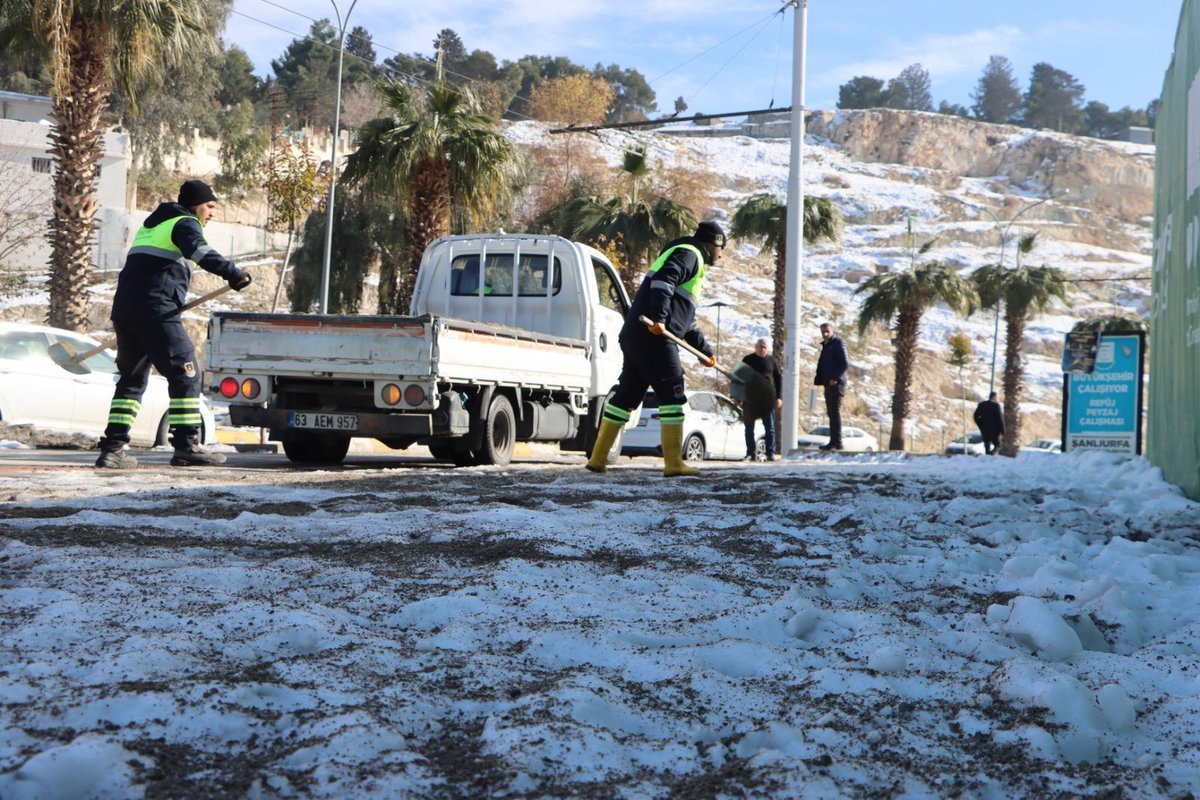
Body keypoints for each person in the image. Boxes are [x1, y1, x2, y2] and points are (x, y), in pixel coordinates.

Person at [95, 180, 252, 469]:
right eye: (209, 206)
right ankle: (187, 446)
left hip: (127, 312)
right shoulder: (185, 223)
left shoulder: (152, 227)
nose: (212, 213)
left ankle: (113, 449)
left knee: (131, 382)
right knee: (186, 376)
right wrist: (233, 273)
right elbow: (201, 252)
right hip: (157, 312)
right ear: (195, 205)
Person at [586, 221, 725, 477]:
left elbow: (685, 322)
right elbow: (663, 281)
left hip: (635, 335)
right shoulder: (690, 254)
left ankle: (598, 459)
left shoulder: (684, 256)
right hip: (654, 335)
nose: (721, 254)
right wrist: (660, 318)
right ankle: (673, 463)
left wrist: (705, 351)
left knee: (626, 395)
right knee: (673, 394)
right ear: (712, 244)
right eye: (721, 248)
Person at [740, 338, 782, 460]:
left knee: (770, 428)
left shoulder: (771, 360)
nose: (762, 349)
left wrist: (778, 397)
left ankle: (770, 453)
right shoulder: (747, 360)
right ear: (755, 347)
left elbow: (778, 379)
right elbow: (740, 378)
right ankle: (750, 453)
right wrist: (737, 396)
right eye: (760, 346)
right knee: (749, 428)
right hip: (750, 397)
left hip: (767, 398)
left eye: (765, 347)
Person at [814, 322, 849, 451]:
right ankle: (833, 441)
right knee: (831, 412)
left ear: (832, 331)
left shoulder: (838, 343)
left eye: (827, 331)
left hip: (837, 383)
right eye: (823, 332)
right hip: (828, 383)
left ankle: (838, 442)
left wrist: (834, 378)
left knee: (835, 411)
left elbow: (845, 363)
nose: (825, 334)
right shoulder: (826, 345)